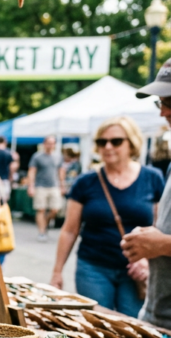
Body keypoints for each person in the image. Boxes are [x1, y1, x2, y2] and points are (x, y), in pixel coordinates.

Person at [51, 117, 164, 317]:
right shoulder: (85, 182)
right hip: (93, 267)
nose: (108, 146)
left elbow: (160, 227)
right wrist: (57, 271)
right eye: (102, 142)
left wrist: (147, 259)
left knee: (132, 329)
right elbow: (70, 230)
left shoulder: (152, 178)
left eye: (116, 141)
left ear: (132, 143)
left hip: (135, 270)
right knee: (96, 325)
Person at [122, 57, 171, 328]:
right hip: (157, 314)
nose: (163, 112)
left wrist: (161, 244)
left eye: (169, 101)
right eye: (160, 102)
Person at [28, 136, 66, 241]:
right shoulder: (37, 156)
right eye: (48, 143)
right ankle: (41, 232)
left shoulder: (58, 156)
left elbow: (61, 171)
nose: (50, 145)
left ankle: (44, 224)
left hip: (54, 186)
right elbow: (32, 171)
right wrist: (31, 186)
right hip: (40, 186)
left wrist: (62, 185)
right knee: (41, 209)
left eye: (52, 143)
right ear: (44, 144)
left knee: (55, 209)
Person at [0, 136, 15, 202]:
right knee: (4, 199)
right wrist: (11, 177)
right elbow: (12, 166)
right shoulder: (8, 153)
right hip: (5, 179)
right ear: (4, 142)